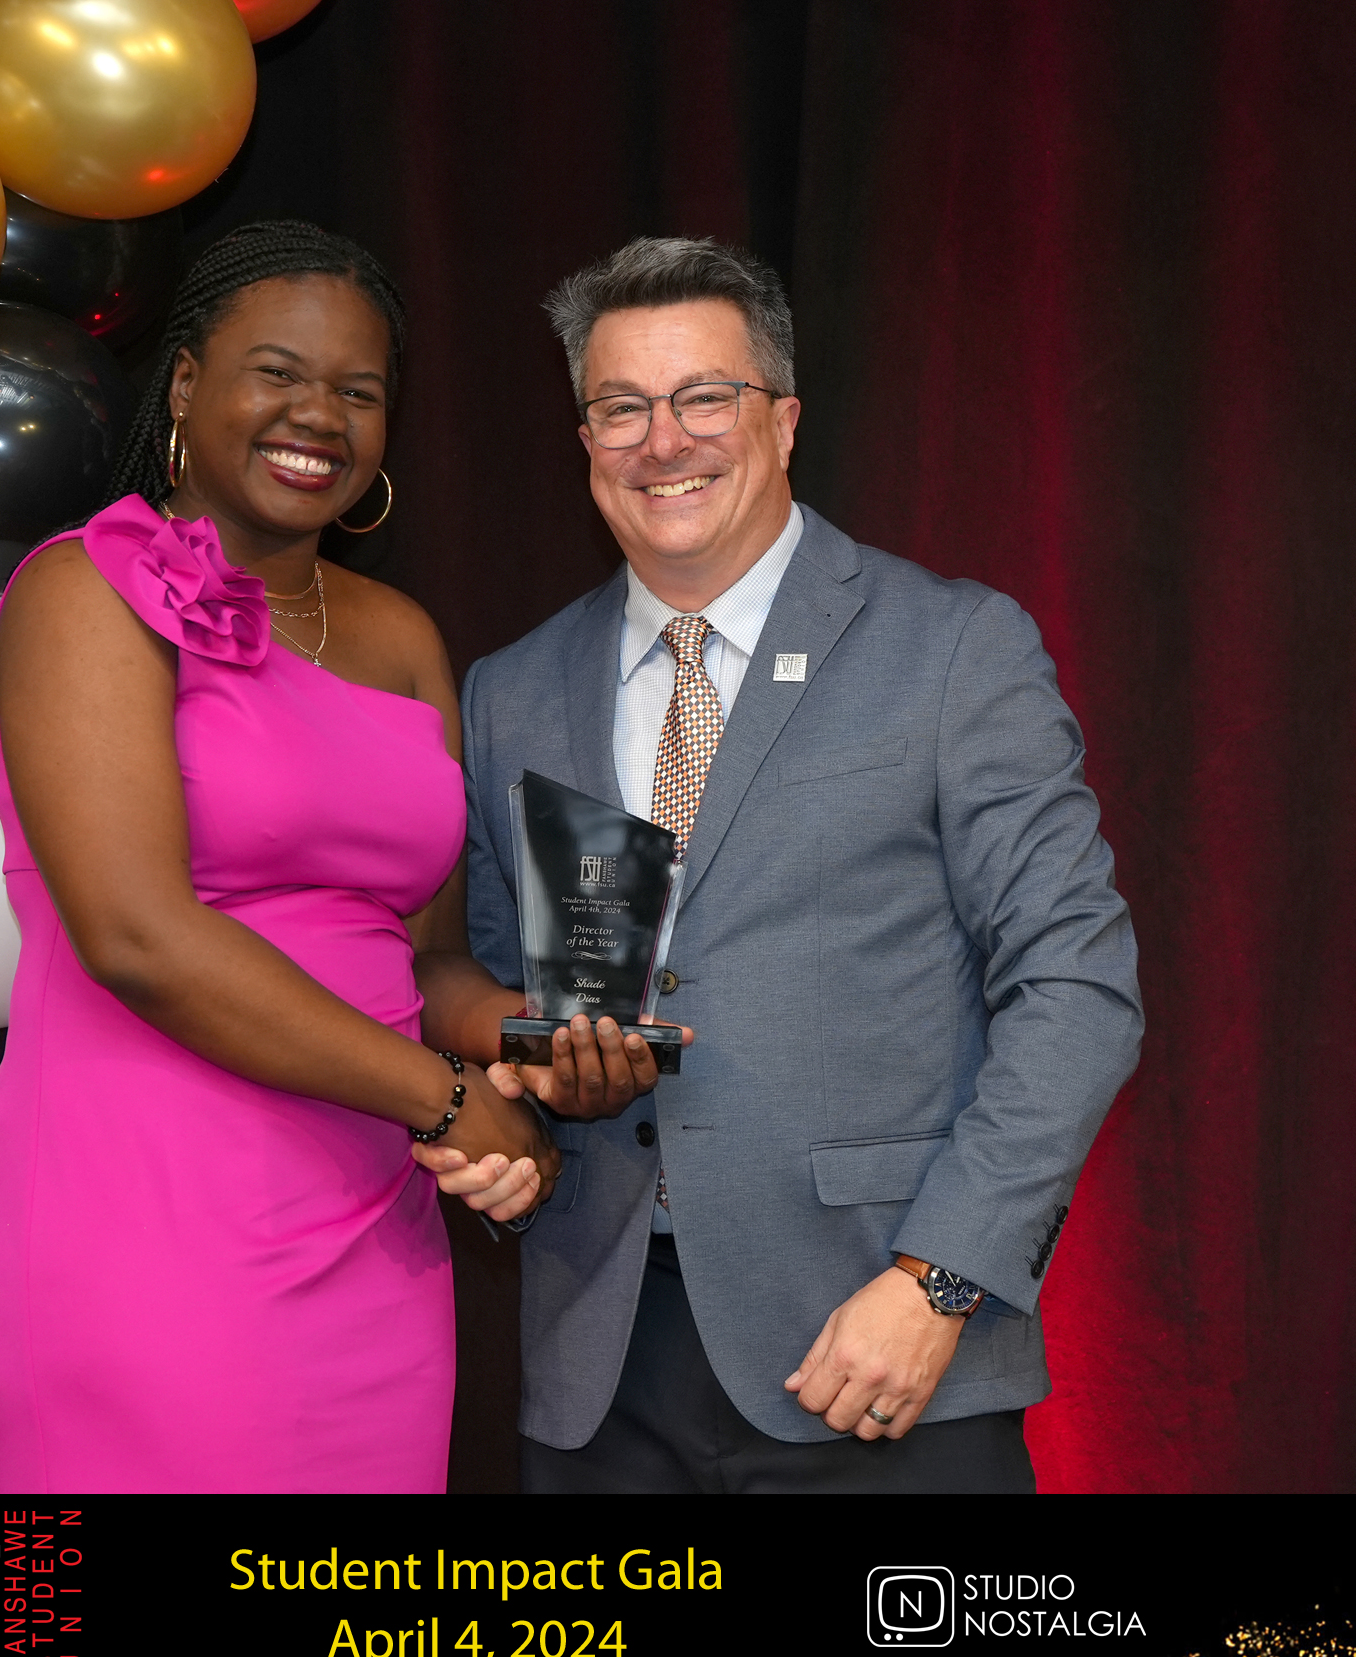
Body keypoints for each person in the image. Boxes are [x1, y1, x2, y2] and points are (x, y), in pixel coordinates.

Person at [454, 237, 1145, 1492]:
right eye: (621, 407)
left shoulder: (953, 648)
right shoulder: (512, 691)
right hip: (601, 1375)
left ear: (781, 421)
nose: (663, 441)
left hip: (879, 1352)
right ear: (585, 439)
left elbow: (1077, 989)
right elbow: (513, 996)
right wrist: (518, 1107)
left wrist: (941, 1280)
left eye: (703, 397)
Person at [0, 221, 558, 1492]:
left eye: (359, 391)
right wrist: (450, 1099)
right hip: (149, 1214)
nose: (319, 416)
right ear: (186, 385)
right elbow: (139, 938)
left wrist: (539, 1040)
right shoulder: (85, 593)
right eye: (278, 373)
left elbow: (425, 962)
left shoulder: (401, 635)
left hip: (375, 1228)